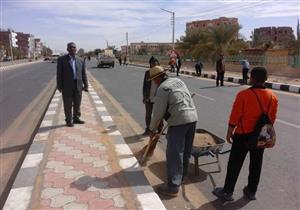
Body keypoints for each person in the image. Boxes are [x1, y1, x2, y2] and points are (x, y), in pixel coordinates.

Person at [212, 67, 278, 201]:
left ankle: (227, 191)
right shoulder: (273, 97)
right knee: (256, 164)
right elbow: (272, 119)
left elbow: (235, 116)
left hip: (242, 134)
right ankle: (251, 191)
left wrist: (230, 132)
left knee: (234, 164)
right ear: (265, 79)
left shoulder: (243, 95)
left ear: (251, 78)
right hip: (260, 136)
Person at [148, 65, 198, 197]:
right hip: (192, 118)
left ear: (158, 78)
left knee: (174, 154)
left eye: (153, 80)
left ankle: (173, 187)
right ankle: (181, 178)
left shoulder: (163, 88)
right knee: (185, 151)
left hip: (179, 122)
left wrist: (152, 129)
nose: (153, 82)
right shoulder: (178, 81)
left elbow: (158, 113)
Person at [57, 42, 88, 127]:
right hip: (66, 86)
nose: (72, 49)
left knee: (77, 103)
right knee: (67, 104)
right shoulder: (62, 60)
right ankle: (68, 120)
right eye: (70, 47)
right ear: (67, 49)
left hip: (78, 85)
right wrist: (59, 86)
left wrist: (86, 85)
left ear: (76, 49)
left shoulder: (81, 60)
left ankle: (76, 118)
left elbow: (83, 74)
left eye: (74, 47)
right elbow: (59, 74)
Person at [142, 56, 162, 135]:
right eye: (152, 64)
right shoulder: (147, 73)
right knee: (148, 114)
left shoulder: (161, 72)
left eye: (155, 64)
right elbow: (145, 85)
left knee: (159, 114)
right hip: (149, 97)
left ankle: (160, 129)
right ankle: (148, 129)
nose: (154, 65)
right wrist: (144, 97)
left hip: (159, 97)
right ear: (150, 65)